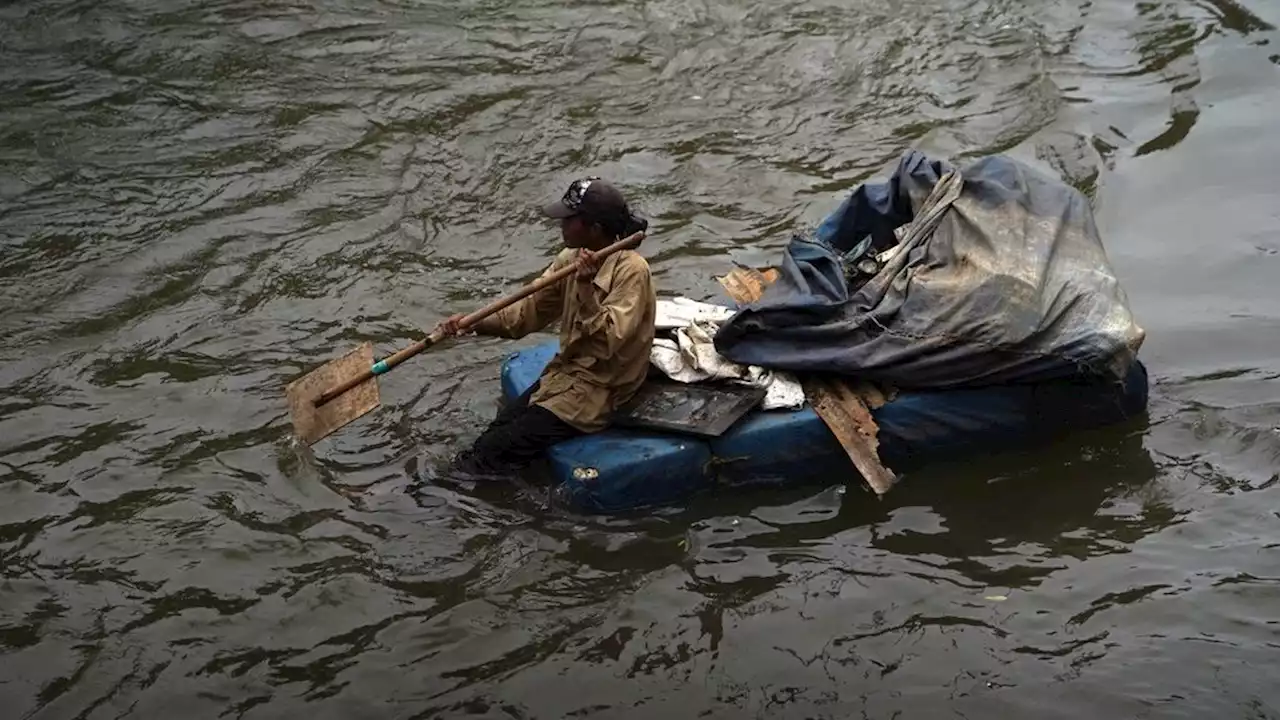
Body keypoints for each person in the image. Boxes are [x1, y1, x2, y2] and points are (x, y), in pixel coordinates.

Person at [435, 177, 656, 476]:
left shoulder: (632, 271)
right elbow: (526, 313)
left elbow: (607, 344)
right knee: (497, 431)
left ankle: (443, 499)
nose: (561, 226)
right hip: (565, 375)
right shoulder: (570, 258)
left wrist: (586, 286)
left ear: (595, 229)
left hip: (600, 389)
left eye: (569, 220)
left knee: (490, 453)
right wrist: (472, 323)